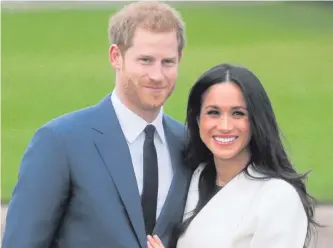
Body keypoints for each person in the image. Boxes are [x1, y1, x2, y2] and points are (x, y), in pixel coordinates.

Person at [2, 1, 192, 248]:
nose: (157, 75)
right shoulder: (60, 142)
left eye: (167, 62)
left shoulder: (187, 144)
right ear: (116, 57)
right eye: (145, 60)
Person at [147, 63, 317, 248]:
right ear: (198, 119)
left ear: (255, 121)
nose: (225, 126)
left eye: (238, 113)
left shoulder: (278, 196)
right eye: (213, 113)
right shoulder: (191, 177)